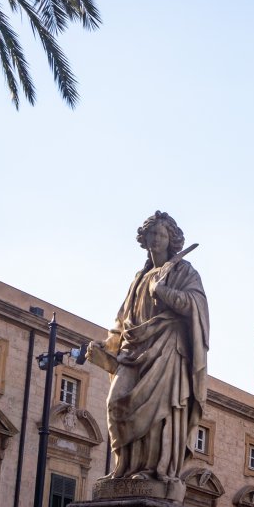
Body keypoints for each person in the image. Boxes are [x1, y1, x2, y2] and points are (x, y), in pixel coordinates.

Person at [88, 211, 208, 492]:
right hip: (133, 348)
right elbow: (123, 317)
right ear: (144, 239)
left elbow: (196, 306)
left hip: (168, 347)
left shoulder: (184, 271)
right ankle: (124, 467)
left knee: (158, 413)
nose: (155, 239)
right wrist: (108, 346)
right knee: (116, 402)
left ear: (171, 240)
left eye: (161, 235)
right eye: (151, 234)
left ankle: (153, 471)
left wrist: (162, 291)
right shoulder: (139, 278)